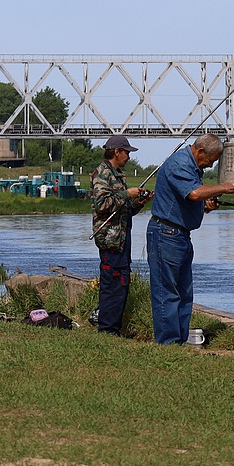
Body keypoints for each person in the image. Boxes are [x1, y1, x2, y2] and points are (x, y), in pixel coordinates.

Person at [146, 134, 234, 345]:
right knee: (166, 292)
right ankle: (168, 343)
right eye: (211, 160)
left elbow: (188, 200)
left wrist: (206, 206)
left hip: (181, 236)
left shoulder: (193, 167)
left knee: (184, 293)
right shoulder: (180, 163)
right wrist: (223, 187)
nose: (211, 165)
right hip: (165, 235)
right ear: (201, 151)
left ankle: (180, 339)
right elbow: (194, 193)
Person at [90, 135, 150, 335]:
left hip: (122, 238)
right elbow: (102, 205)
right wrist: (127, 194)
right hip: (110, 240)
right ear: (117, 151)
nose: (129, 157)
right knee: (112, 283)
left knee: (122, 283)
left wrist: (139, 202)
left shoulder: (117, 174)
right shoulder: (102, 173)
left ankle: (113, 327)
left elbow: (123, 210)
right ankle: (107, 329)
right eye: (127, 152)